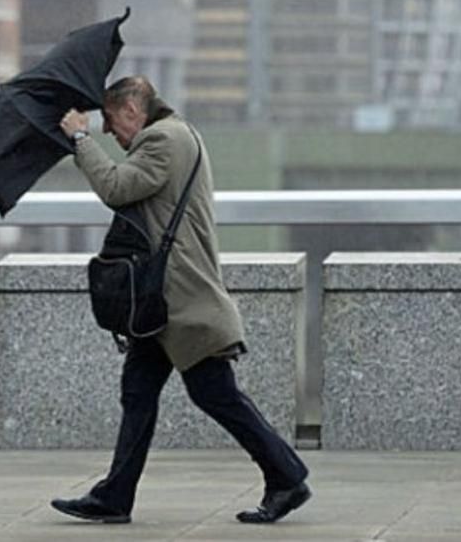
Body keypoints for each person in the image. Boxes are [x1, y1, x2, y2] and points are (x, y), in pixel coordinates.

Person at [51, 75, 310, 525]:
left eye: (111, 122)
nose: (109, 132)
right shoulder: (172, 135)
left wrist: (80, 138)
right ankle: (114, 496)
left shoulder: (163, 141)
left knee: (216, 394)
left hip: (182, 302)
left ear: (132, 110)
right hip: (160, 305)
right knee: (137, 393)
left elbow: (115, 187)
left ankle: (286, 476)